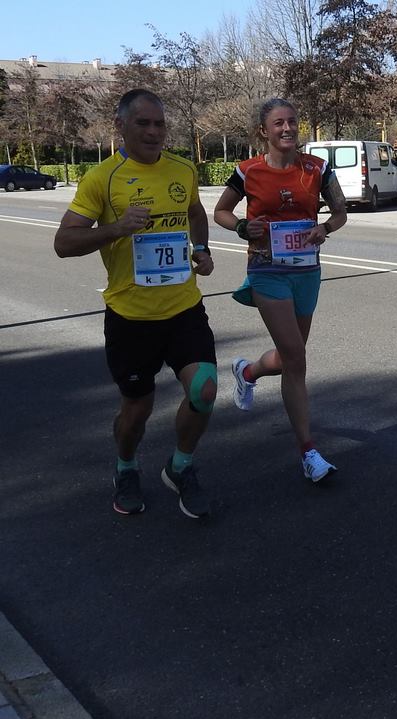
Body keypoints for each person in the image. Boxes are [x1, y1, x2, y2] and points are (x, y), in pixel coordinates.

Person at [53, 88, 217, 519]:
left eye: (159, 123)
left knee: (204, 389)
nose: (153, 131)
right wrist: (117, 228)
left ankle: (180, 466)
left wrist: (201, 249)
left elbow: (195, 211)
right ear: (120, 126)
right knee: (137, 410)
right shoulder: (102, 178)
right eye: (143, 122)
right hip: (131, 316)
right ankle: (126, 467)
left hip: (183, 307)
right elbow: (63, 243)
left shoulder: (182, 169)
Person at [213, 98, 347, 483]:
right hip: (267, 271)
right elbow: (221, 211)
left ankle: (248, 371)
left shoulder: (317, 169)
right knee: (297, 359)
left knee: (293, 356)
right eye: (278, 124)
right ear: (264, 131)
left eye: (292, 122)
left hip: (306, 271)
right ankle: (309, 451)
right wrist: (240, 227)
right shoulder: (247, 171)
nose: (287, 129)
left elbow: (339, 211)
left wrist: (326, 228)